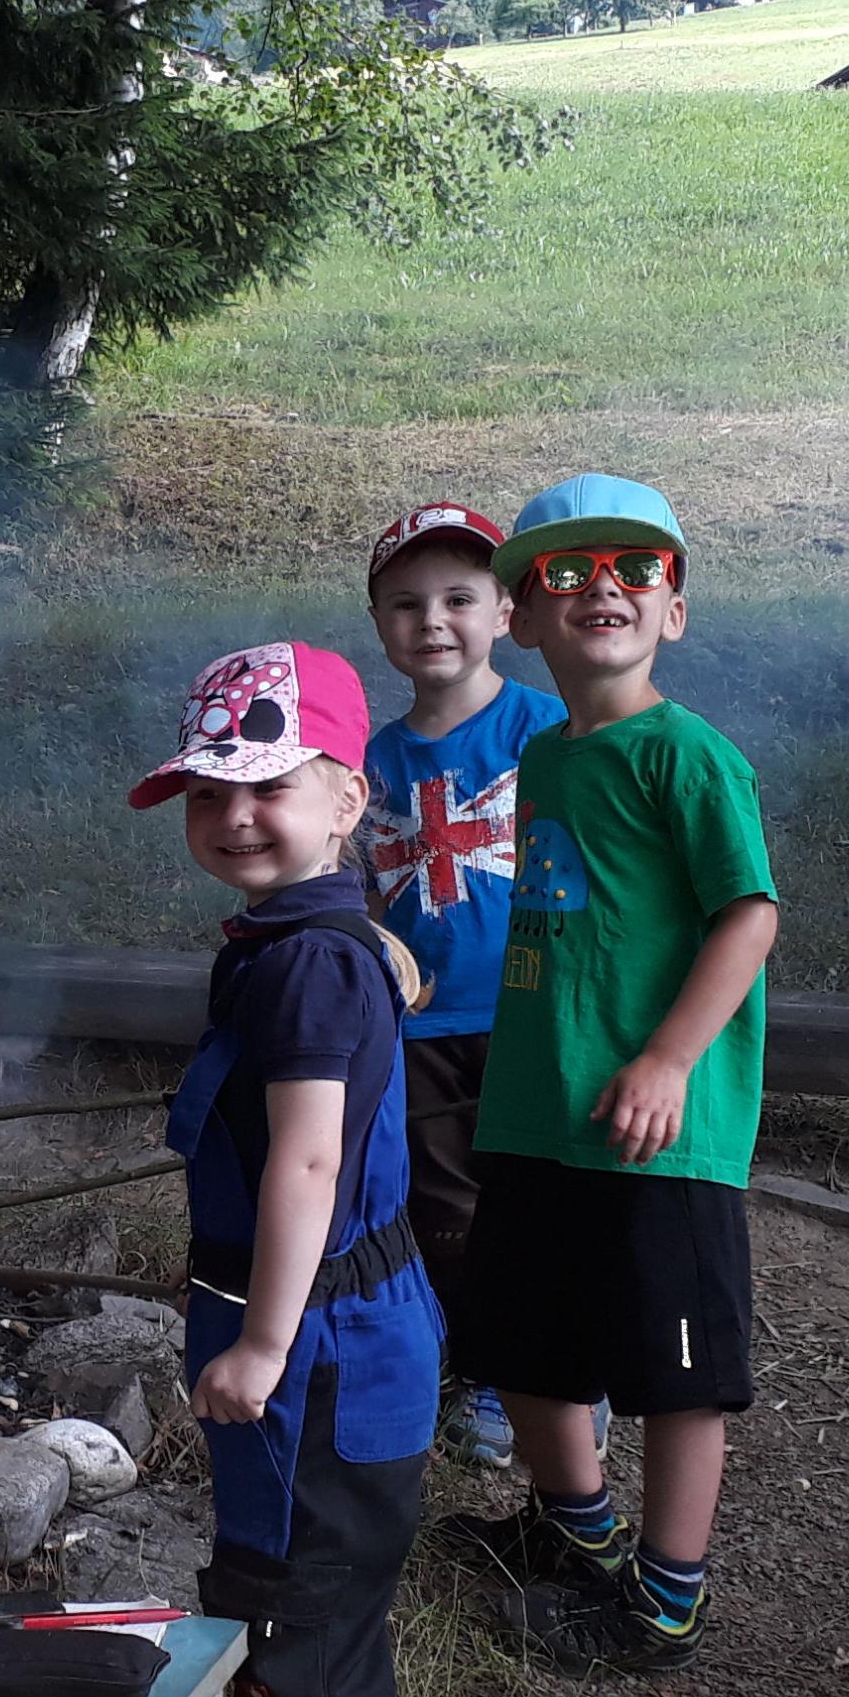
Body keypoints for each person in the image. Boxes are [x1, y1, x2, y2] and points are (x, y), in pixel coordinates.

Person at [133, 642, 444, 1697]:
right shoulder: (309, 937)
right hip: (340, 1332)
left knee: (297, 1610)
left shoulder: (308, 966)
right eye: (209, 794)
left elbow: (309, 1164)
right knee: (321, 1595)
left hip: (315, 1347)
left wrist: (259, 1343)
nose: (234, 815)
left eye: (268, 785)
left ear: (346, 798)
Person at [455, 473, 780, 1675]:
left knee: (675, 1371)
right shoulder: (545, 758)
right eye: (567, 572)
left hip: (658, 1129)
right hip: (539, 1110)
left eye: (636, 569)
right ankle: (574, 1528)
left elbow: (747, 917)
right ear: (522, 618)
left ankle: (664, 1599)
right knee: (521, 1338)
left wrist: (666, 1059)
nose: (604, 588)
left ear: (673, 612)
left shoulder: (688, 756)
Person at [356, 500, 565, 1474]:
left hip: (534, 1014)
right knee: (445, 1211)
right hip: (423, 1028)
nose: (431, 620)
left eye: (457, 598)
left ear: (505, 612)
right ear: (379, 623)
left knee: (543, 1197)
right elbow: (361, 881)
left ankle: (564, 1369)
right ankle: (480, 1367)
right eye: (405, 604)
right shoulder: (372, 759)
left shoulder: (545, 729)